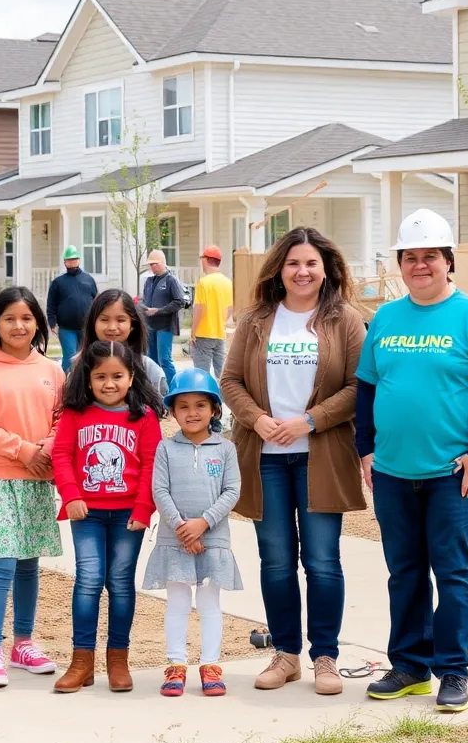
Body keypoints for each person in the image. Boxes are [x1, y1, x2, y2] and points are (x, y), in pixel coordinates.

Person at [355, 209, 468, 713]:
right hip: (394, 473)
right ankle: (408, 666)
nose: (419, 265)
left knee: (451, 571)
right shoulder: (385, 318)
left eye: (430, 257)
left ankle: (452, 670)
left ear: (448, 262)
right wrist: (366, 448)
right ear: (400, 264)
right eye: (410, 257)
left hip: (452, 474)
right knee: (403, 572)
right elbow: (366, 387)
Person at [220, 226, 365, 697]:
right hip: (265, 459)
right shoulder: (258, 319)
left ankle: (325, 656)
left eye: (311, 264)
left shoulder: (344, 319)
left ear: (326, 270)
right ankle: (285, 655)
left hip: (320, 455)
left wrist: (310, 420)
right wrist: (257, 420)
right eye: (293, 263)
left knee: (323, 561)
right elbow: (231, 380)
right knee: (276, 561)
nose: (302, 272)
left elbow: (360, 387)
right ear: (279, 270)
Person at [0, 287, 64, 688]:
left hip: (38, 475)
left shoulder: (52, 370)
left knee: (28, 562)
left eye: (26, 318)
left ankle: (23, 643)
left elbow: (62, 418)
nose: (18, 325)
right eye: (9, 318)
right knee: (2, 559)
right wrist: (22, 450)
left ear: (37, 322)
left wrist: (47, 449)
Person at [51, 340, 164, 694]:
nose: (109, 383)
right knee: (88, 579)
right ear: (88, 379)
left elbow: (152, 465)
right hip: (87, 512)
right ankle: (81, 661)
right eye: (100, 376)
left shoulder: (143, 416)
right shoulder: (74, 414)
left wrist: (144, 508)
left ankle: (118, 659)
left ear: (132, 377)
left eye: (117, 375)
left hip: (128, 515)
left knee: (119, 583)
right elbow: (61, 455)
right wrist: (70, 495)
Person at [143, 368, 243, 698]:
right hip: (175, 541)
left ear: (215, 410)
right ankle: (176, 665)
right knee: (178, 603)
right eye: (183, 406)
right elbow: (160, 490)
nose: (192, 413)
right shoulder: (165, 449)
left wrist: (203, 523)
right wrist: (183, 529)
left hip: (213, 540)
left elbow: (232, 490)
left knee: (211, 603)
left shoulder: (225, 449)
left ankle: (211, 665)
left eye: (201, 405)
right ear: (172, 411)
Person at [83, 288, 168, 397]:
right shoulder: (80, 367)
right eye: (104, 320)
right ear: (93, 324)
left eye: (120, 320)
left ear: (132, 325)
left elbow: (162, 410)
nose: (112, 327)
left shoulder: (149, 369)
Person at [47, 245, 98, 375]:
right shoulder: (58, 282)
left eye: (75, 259)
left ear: (79, 260)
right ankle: (66, 385)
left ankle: (83, 386)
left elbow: (96, 301)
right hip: (66, 328)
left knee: (86, 357)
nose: (73, 262)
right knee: (70, 359)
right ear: (65, 262)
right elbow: (51, 304)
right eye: (70, 260)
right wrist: (52, 323)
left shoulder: (89, 280)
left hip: (86, 327)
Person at [142, 249, 185, 387]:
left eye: (155, 264)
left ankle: (174, 388)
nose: (152, 266)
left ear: (162, 263)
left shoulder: (171, 280)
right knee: (151, 360)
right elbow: (145, 300)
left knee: (164, 359)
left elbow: (179, 302)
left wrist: (159, 311)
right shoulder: (149, 281)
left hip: (165, 327)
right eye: (150, 264)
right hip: (150, 326)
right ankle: (152, 389)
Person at [190, 245, 234, 380]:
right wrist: (219, 322)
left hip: (203, 334)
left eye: (202, 258)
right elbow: (230, 309)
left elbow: (199, 309)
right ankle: (221, 399)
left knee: (201, 373)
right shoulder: (227, 282)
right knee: (221, 373)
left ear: (206, 260)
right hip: (220, 334)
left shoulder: (203, 283)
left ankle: (206, 399)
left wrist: (193, 333)